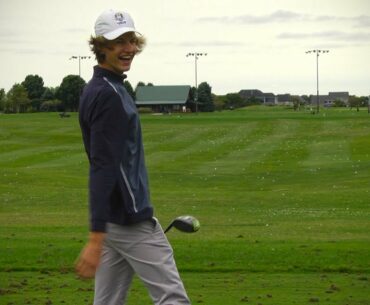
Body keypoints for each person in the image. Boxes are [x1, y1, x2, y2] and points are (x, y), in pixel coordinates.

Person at [76, 9, 191, 305]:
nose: (128, 48)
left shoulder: (104, 87)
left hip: (116, 221)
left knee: (108, 301)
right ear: (101, 46)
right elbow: (103, 167)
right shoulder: (109, 95)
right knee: (173, 298)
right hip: (129, 220)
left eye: (131, 40)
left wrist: (102, 231)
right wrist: (95, 237)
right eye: (118, 42)